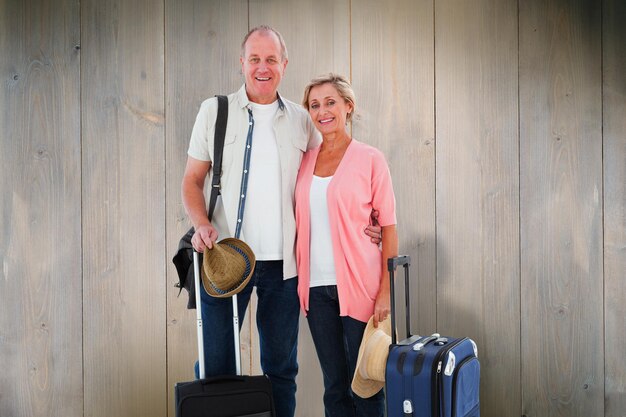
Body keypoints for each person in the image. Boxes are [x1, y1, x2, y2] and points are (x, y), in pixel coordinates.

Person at [181, 27, 382, 417]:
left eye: (271, 59)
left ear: (284, 66)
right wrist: (201, 222)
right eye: (254, 59)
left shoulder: (302, 121)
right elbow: (191, 180)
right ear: (242, 64)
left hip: (286, 269)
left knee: (282, 371)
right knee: (216, 367)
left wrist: (370, 218)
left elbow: (329, 179)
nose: (262, 67)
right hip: (225, 263)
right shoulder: (214, 112)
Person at [294, 73, 399, 417]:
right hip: (315, 289)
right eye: (314, 105)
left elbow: (388, 227)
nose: (322, 111)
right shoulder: (304, 161)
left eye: (330, 102)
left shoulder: (370, 158)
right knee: (334, 389)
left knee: (366, 387)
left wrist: (385, 291)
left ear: (348, 107)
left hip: (361, 289)